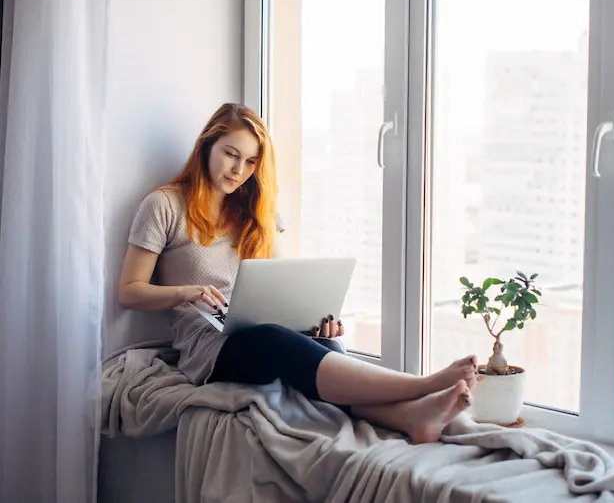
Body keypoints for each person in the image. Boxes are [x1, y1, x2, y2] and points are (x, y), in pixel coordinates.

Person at [117, 103, 477, 444]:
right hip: (208, 346)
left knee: (326, 345)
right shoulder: (164, 205)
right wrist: (187, 292)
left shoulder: (257, 212)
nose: (238, 170)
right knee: (273, 342)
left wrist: (312, 320)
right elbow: (129, 291)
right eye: (230, 153)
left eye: (250, 162)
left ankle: (412, 418)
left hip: (261, 330)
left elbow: (281, 283)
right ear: (207, 145)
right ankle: (422, 385)